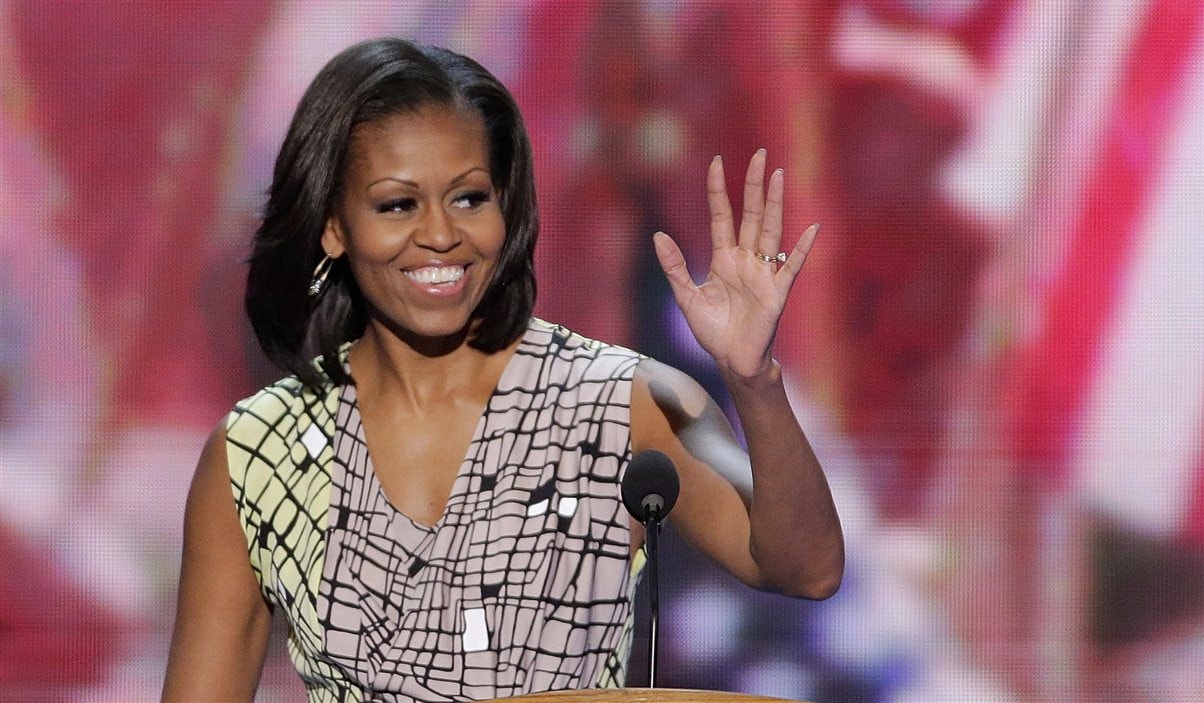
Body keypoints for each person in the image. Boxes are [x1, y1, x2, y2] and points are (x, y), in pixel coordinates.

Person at [162, 37, 843, 702]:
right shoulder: (256, 452)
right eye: (398, 203)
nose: (440, 233)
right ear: (334, 226)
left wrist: (754, 382)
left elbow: (806, 568)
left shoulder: (622, 402)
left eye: (468, 197)